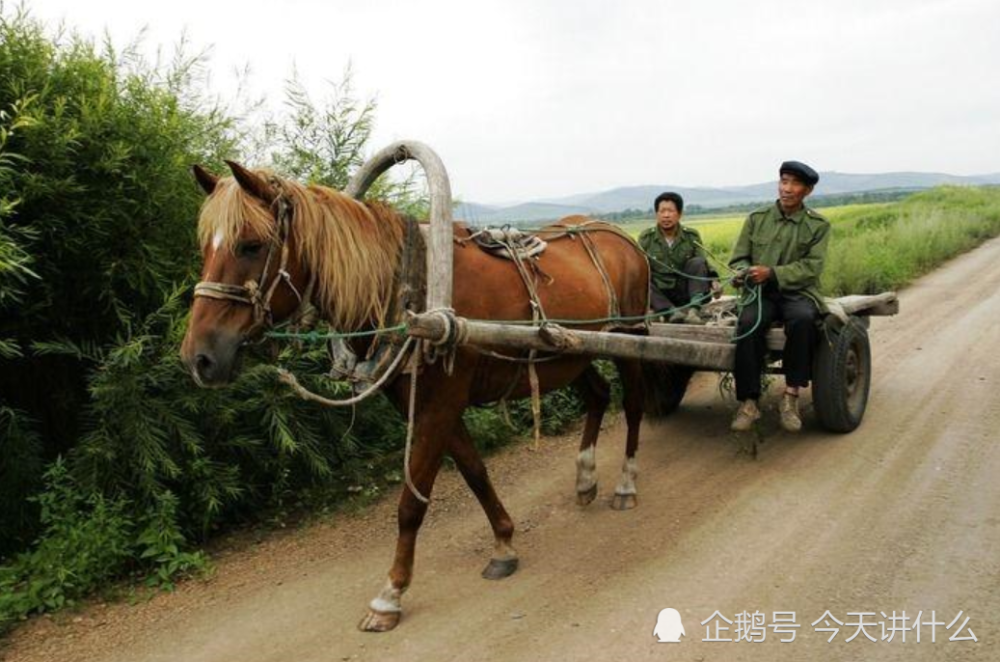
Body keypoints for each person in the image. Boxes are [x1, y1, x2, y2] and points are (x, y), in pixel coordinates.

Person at [728, 161, 830, 433]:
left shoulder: (817, 225)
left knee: (804, 320)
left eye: (795, 184)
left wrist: (772, 273)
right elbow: (739, 259)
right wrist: (742, 274)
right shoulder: (756, 219)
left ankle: (791, 396)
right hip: (760, 294)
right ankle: (749, 402)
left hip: (798, 292)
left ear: (807, 191)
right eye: (784, 181)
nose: (787, 189)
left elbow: (812, 267)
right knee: (747, 323)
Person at [639, 192, 719, 325]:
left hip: (684, 291)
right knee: (641, 278)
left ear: (680, 214)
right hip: (660, 293)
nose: (666, 215)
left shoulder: (691, 235)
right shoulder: (646, 238)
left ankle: (693, 311)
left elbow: (702, 260)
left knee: (698, 263)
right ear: (656, 214)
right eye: (662, 211)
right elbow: (639, 266)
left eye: (670, 211)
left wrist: (714, 280)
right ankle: (671, 311)